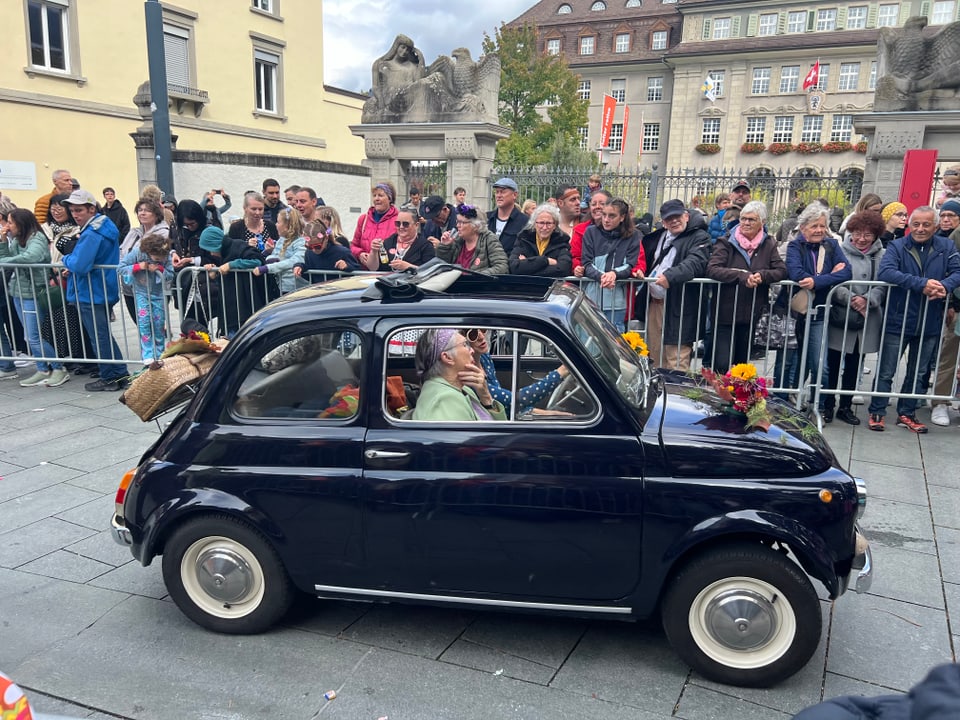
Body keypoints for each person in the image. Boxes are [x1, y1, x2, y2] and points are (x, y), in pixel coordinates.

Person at [868, 206, 960, 432]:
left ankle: (907, 412)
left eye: (926, 224)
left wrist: (944, 287)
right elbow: (887, 272)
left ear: (935, 226)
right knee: (887, 369)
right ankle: (877, 410)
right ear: (910, 224)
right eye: (916, 224)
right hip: (899, 318)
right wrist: (923, 285)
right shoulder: (898, 246)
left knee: (918, 372)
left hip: (930, 319)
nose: (920, 229)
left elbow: (958, 271)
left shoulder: (946, 247)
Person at [706, 200, 786, 372]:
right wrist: (741, 275)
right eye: (743, 219)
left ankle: (737, 398)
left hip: (752, 312)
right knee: (721, 363)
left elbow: (781, 270)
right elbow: (713, 269)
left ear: (762, 223)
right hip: (725, 312)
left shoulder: (768, 243)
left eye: (751, 219)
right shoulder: (726, 241)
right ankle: (719, 396)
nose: (746, 223)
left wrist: (762, 276)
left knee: (742, 366)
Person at [61, 189, 129, 391]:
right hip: (98, 288)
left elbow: (80, 264)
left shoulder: (93, 233)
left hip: (91, 291)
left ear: (91, 209)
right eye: (73, 210)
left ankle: (110, 377)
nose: (75, 214)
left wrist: (66, 258)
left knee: (99, 337)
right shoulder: (102, 226)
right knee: (103, 335)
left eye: (79, 210)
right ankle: (118, 374)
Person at [785, 202, 851, 408]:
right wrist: (831, 276)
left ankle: (818, 405)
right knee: (794, 363)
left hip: (820, 314)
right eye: (815, 226)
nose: (819, 230)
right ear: (803, 227)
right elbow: (797, 275)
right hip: (796, 313)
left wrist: (818, 281)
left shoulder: (832, 246)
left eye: (823, 226)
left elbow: (847, 272)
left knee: (819, 364)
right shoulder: (795, 246)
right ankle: (791, 402)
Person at [823, 211, 886, 425]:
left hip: (866, 317)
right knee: (832, 362)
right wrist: (851, 299)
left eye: (867, 235)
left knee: (854, 364)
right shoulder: (839, 251)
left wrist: (868, 299)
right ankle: (827, 405)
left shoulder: (882, 254)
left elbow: (884, 284)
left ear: (875, 235)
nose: (861, 238)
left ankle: (846, 406)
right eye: (858, 233)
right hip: (842, 315)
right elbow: (831, 279)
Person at [638, 199, 711, 369]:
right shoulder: (657, 238)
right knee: (654, 359)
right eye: (669, 218)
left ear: (686, 215)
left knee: (677, 361)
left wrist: (670, 276)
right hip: (655, 304)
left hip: (680, 306)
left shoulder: (700, 237)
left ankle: (675, 395)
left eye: (677, 216)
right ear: (663, 222)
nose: (674, 221)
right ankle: (656, 395)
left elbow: (696, 262)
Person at [0, 209, 70, 387]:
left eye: (10, 222)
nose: (8, 226)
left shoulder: (37, 238)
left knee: (34, 336)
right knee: (27, 336)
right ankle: (42, 369)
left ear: (21, 223)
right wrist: (2, 242)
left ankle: (58, 368)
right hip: (17, 292)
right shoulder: (17, 240)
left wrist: (7, 260)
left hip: (33, 293)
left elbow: (30, 257)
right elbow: (7, 258)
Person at [411, 328, 506, 421]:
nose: (472, 351)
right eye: (465, 345)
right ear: (447, 357)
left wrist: (486, 398)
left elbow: (499, 430)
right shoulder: (445, 401)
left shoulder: (463, 389)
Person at [465, 327, 568, 413]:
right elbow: (513, 401)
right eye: (473, 334)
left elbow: (505, 406)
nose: (482, 337)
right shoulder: (468, 376)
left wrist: (539, 413)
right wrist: (561, 372)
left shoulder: (484, 358)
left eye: (483, 329)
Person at [582, 198, 644, 332]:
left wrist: (614, 274)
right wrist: (604, 277)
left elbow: (630, 265)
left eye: (612, 216)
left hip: (616, 301)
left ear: (622, 217)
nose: (606, 219)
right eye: (604, 215)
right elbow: (586, 263)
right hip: (591, 297)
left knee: (614, 344)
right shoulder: (591, 232)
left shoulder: (633, 236)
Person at [199, 225, 268, 339]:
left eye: (211, 249)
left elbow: (257, 261)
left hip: (245, 308)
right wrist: (215, 273)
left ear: (216, 244)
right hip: (232, 310)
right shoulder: (226, 252)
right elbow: (228, 281)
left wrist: (232, 265)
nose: (211, 253)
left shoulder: (238, 246)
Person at [120, 232, 173, 365]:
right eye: (156, 257)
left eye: (162, 257)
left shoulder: (166, 256)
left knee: (159, 324)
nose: (159, 259)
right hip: (141, 293)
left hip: (159, 295)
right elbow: (121, 267)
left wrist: (160, 269)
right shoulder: (138, 252)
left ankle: (160, 353)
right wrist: (139, 267)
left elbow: (171, 274)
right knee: (144, 323)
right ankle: (148, 353)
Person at [930, 198, 960, 427]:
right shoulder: (955, 237)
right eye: (945, 215)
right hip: (957, 304)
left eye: (952, 215)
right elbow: (952, 272)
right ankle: (940, 401)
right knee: (948, 354)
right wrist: (951, 303)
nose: (947, 219)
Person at [120, 198, 169, 323]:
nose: (142, 213)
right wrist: (132, 267)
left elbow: (154, 256)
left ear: (156, 214)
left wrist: (137, 264)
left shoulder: (163, 233)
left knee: (153, 326)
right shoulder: (134, 232)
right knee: (141, 326)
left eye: (146, 211)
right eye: (140, 210)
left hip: (152, 289)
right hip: (130, 287)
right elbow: (122, 255)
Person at [436, 204, 509, 275]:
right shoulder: (456, 239)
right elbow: (441, 266)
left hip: (477, 286)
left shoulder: (489, 239)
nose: (458, 225)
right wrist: (444, 247)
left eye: (462, 222)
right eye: (457, 221)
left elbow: (502, 267)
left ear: (476, 225)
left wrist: (476, 277)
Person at [254, 205, 306, 295]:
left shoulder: (300, 242)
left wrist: (268, 268)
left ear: (287, 226)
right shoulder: (281, 240)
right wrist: (268, 254)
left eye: (278, 222)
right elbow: (276, 256)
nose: (276, 225)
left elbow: (295, 260)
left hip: (294, 287)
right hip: (279, 284)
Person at [509, 204, 572, 278]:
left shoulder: (562, 241)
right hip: (525, 287)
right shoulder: (524, 239)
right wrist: (546, 261)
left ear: (555, 225)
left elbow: (563, 269)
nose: (545, 227)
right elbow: (514, 267)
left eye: (549, 223)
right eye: (541, 223)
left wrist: (528, 265)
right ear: (534, 224)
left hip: (551, 287)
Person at [366, 208, 435, 272]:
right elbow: (372, 268)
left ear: (416, 225)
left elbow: (429, 272)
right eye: (398, 223)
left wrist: (408, 267)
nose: (401, 227)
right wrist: (374, 251)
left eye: (405, 224)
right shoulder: (388, 242)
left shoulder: (426, 246)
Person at [294, 220, 361, 281]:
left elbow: (358, 271)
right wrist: (300, 268)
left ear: (326, 239)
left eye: (317, 246)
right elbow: (310, 276)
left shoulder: (341, 252)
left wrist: (347, 266)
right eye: (309, 247)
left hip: (339, 291)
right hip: (319, 291)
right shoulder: (309, 253)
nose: (314, 250)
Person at [352, 182, 399, 265]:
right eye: (374, 195)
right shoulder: (363, 219)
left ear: (390, 198)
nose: (376, 199)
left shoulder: (398, 220)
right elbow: (353, 245)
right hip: (364, 271)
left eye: (380, 195)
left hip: (387, 272)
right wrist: (360, 254)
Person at [227, 192, 280, 261]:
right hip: (245, 269)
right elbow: (231, 253)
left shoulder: (270, 226)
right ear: (245, 208)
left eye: (260, 209)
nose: (257, 213)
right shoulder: (236, 227)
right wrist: (246, 247)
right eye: (253, 209)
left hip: (267, 269)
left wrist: (272, 250)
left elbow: (280, 250)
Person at [571, 190, 612, 277]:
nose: (597, 207)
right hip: (588, 280)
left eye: (602, 204)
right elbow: (574, 256)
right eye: (593, 204)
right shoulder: (580, 230)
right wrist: (578, 267)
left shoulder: (624, 230)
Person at [487, 178, 526, 255]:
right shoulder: (486, 218)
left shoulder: (524, 222)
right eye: (497, 192)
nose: (498, 196)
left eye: (502, 192)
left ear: (514, 195)